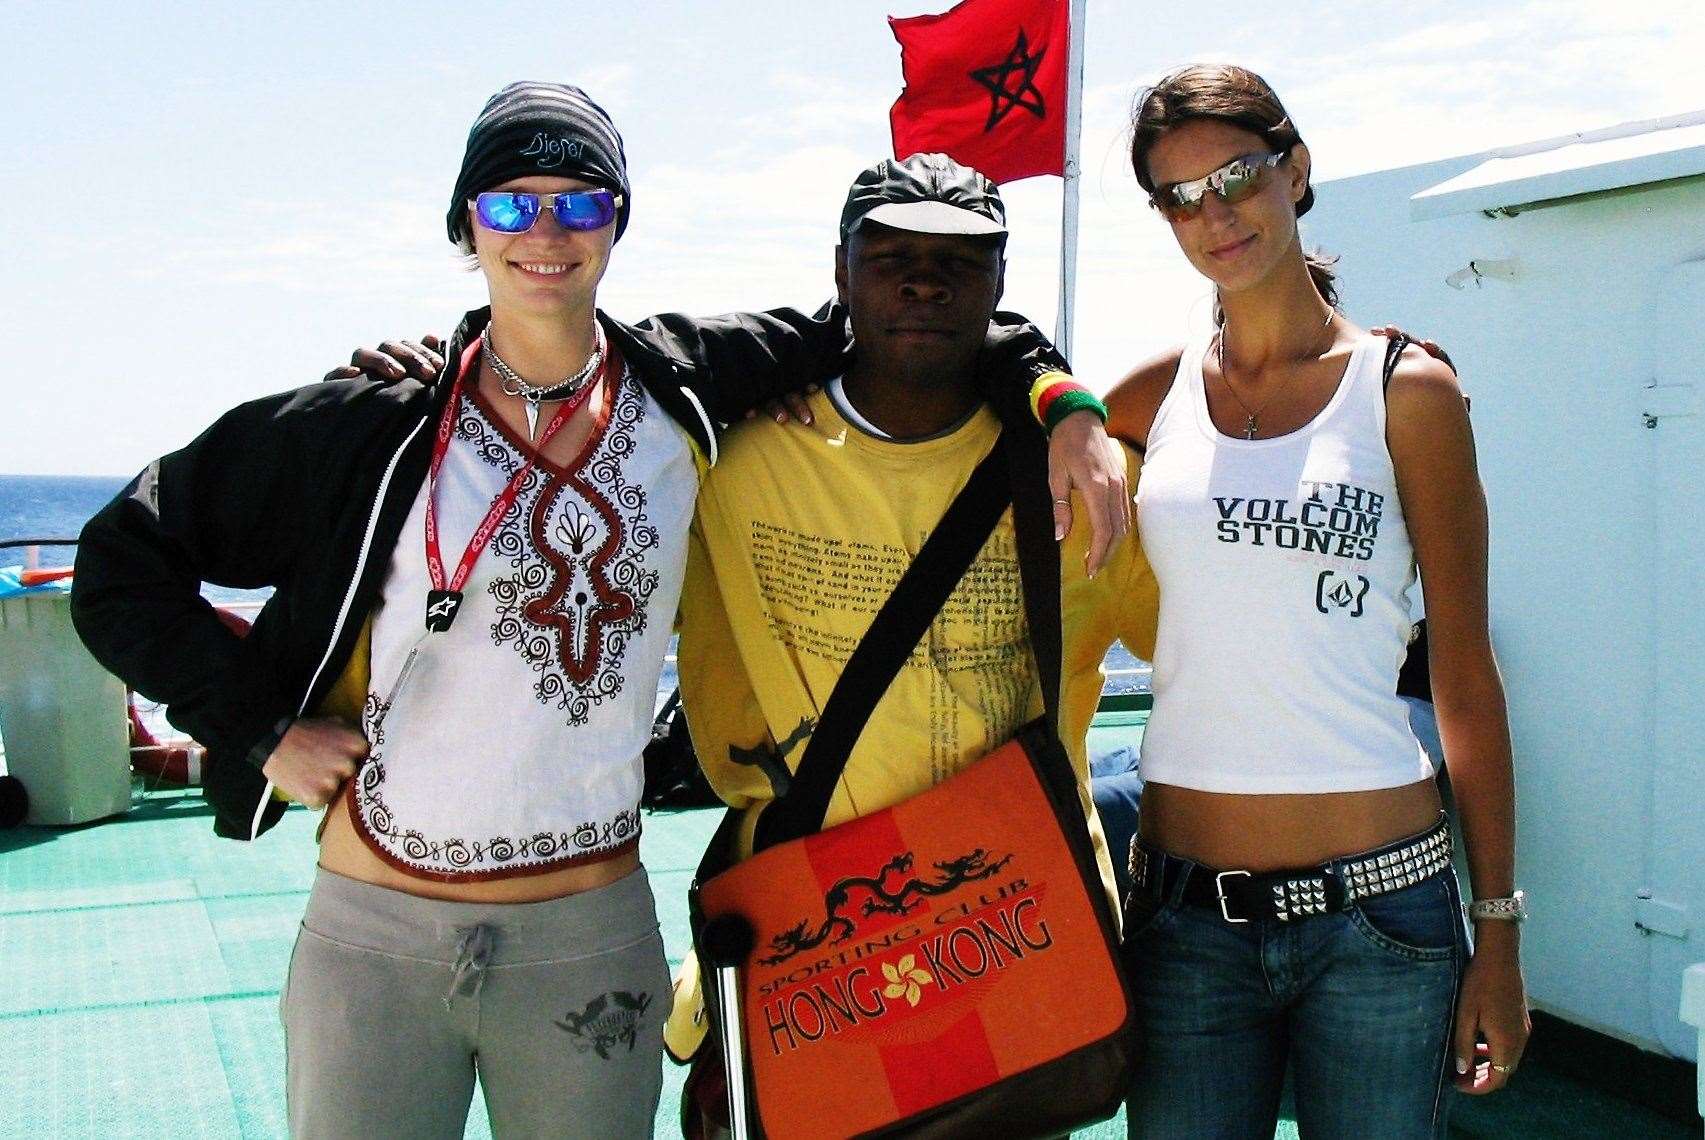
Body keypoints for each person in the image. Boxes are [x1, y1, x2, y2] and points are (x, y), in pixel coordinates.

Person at [70, 83, 1115, 1138]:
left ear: (617, 220)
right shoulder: (374, 426)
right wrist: (260, 732)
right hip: (374, 931)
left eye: (580, 202)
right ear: (463, 224)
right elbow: (119, 561)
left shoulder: (689, 389)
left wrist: (1060, 400)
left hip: (588, 937)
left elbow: (923, 312)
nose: (546, 232)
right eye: (511, 205)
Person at [659, 153, 1161, 1082]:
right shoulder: (730, 464)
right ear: (840, 272)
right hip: (820, 935)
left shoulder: (1087, 481)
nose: (924, 280)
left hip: (1018, 928)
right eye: (891, 256)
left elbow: (1212, 663)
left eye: (959, 260)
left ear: (1001, 284)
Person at [1103, 64, 1529, 1138]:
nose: (1216, 215)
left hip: (1381, 919)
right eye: (1179, 197)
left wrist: (1499, 934)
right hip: (1182, 919)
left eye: (1237, 175)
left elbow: (1464, 674)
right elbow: (1029, 423)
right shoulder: (1147, 399)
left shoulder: (1404, 392)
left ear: (1294, 170)